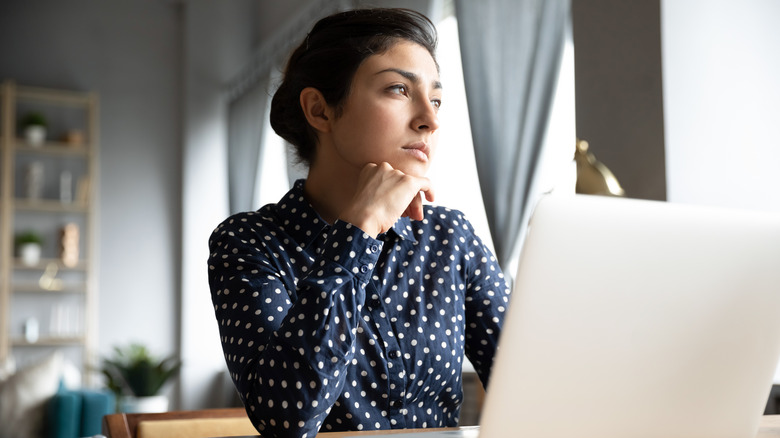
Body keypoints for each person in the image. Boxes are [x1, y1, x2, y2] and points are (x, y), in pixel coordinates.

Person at [207, 8, 510, 438]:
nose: (430, 118)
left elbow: (528, 386)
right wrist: (358, 230)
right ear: (320, 110)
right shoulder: (249, 243)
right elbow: (286, 418)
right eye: (398, 89)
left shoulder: (449, 237)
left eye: (437, 99)